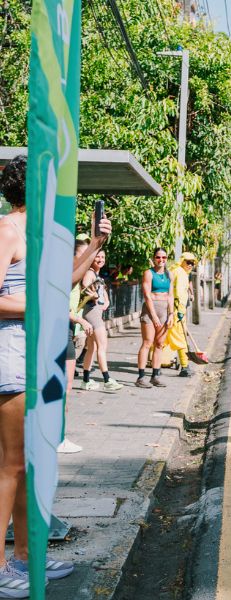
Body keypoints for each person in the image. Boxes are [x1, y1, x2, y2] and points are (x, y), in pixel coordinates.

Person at [0, 156, 110, 593]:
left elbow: (60, 284)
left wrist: (95, 245)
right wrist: (38, 305)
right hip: (11, 354)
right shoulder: (7, 230)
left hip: (37, 354)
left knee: (30, 463)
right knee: (9, 465)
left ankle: (26, 559)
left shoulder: (36, 235)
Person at [60, 235, 94, 454]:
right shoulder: (63, 275)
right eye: (83, 256)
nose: (86, 261)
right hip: (59, 330)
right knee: (62, 388)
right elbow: (57, 304)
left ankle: (60, 436)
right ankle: (57, 437)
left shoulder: (75, 278)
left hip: (68, 330)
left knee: (67, 388)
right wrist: (80, 319)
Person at [80, 250, 123, 391]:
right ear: (92, 258)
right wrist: (93, 296)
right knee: (102, 345)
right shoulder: (90, 273)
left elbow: (102, 290)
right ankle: (107, 380)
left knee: (91, 348)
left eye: (103, 257)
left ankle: (86, 381)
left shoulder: (97, 274)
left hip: (94, 312)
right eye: (97, 256)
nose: (100, 259)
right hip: (92, 313)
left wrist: (106, 300)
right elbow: (85, 285)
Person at [136, 248, 174, 388]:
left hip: (164, 311)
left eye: (164, 257)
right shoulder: (148, 273)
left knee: (159, 344)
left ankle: (155, 376)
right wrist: (153, 315)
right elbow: (147, 296)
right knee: (147, 342)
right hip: (150, 310)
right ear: (154, 258)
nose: (161, 260)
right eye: (158, 257)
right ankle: (141, 377)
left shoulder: (169, 274)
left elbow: (171, 295)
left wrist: (171, 314)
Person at [167, 252, 196, 377]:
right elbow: (178, 293)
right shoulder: (180, 273)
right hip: (175, 310)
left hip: (174, 309)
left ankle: (156, 367)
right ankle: (185, 367)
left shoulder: (178, 271)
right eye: (188, 262)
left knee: (162, 339)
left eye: (193, 263)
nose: (191, 265)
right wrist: (180, 310)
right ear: (182, 261)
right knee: (180, 338)